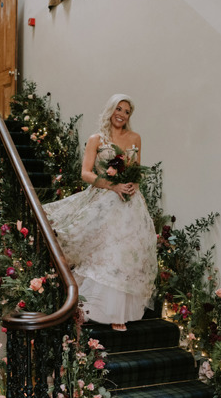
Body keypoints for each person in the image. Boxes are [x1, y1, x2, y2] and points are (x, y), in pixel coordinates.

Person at [42, 94, 157, 331]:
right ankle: (92, 305)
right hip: (104, 197)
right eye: (119, 108)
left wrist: (133, 185)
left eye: (127, 112)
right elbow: (85, 173)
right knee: (104, 249)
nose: (122, 114)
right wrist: (112, 185)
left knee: (126, 252)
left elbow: (137, 171)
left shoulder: (135, 138)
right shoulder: (96, 139)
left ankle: (119, 312)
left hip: (130, 203)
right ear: (110, 110)